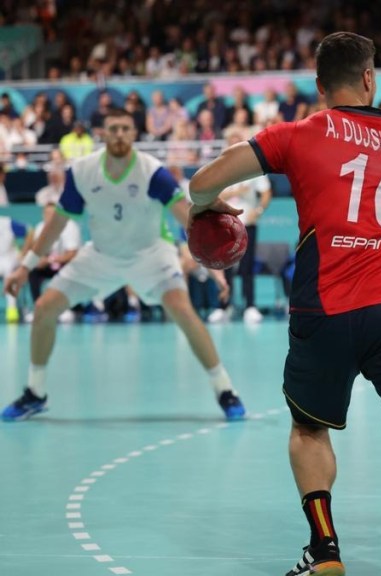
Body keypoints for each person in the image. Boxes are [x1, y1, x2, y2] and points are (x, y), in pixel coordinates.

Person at [187, 32, 381, 576]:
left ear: (320, 85)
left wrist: (209, 206)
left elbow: (200, 182)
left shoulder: (298, 133)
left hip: (323, 309)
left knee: (310, 429)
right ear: (370, 78)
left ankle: (325, 551)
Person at [1, 108, 246, 422]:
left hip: (151, 255)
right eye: (113, 128)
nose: (119, 134)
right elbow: (56, 224)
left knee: (183, 310)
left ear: (134, 133)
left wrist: (214, 270)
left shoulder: (152, 172)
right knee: (44, 307)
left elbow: (188, 220)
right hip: (100, 256)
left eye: (125, 129)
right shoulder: (82, 172)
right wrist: (25, 266)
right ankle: (35, 392)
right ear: (103, 133)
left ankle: (225, 389)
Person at [206, 128, 273, 324]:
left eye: (238, 141)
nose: (234, 145)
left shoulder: (253, 168)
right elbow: (212, 193)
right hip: (225, 225)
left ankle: (250, 306)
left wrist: (258, 210)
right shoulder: (219, 169)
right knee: (224, 265)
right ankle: (223, 306)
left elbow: (266, 193)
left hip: (247, 223)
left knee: (247, 266)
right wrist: (233, 193)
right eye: (231, 141)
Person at [1, 216, 33, 323]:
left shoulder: (7, 223)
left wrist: (23, 252)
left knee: (9, 271)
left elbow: (30, 232)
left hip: (9, 258)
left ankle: (12, 309)